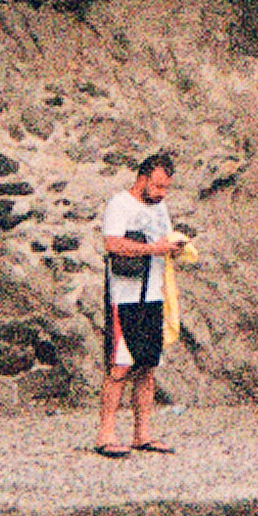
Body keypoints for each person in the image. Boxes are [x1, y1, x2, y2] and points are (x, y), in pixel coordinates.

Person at [94, 151, 186, 457]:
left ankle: (142, 434)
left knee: (147, 366)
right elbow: (113, 243)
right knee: (120, 365)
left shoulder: (160, 208)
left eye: (166, 188)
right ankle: (106, 434)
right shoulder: (119, 204)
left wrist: (174, 248)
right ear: (142, 179)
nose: (162, 193)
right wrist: (152, 249)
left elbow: (163, 242)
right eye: (157, 186)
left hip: (154, 294)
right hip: (125, 296)